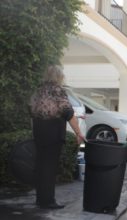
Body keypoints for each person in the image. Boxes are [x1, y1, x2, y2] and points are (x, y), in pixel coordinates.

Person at [30, 65, 84, 209]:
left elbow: (32, 110)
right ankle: (48, 201)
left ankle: (40, 199)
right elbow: (68, 113)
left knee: (41, 166)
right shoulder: (58, 91)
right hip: (53, 133)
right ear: (59, 77)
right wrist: (79, 133)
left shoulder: (38, 90)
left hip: (39, 131)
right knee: (49, 167)